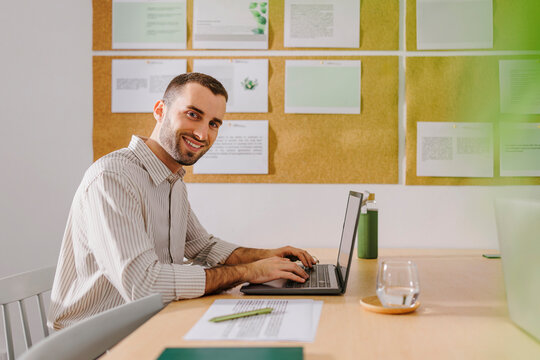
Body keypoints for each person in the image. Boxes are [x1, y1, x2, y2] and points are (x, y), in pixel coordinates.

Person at [48, 73, 317, 330]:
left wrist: (268, 256)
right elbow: (144, 286)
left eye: (213, 124)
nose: (202, 134)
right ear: (160, 110)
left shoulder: (172, 179)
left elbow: (203, 246)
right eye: (193, 115)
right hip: (96, 341)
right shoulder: (112, 178)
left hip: (152, 321)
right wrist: (250, 272)